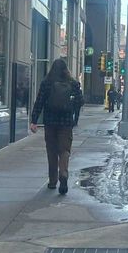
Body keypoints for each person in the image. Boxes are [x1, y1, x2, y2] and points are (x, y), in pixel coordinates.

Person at [29, 58, 84, 194]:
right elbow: (80, 101)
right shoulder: (73, 83)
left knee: (51, 151)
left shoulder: (47, 83)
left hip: (50, 122)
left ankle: (53, 181)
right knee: (64, 150)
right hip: (66, 123)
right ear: (66, 70)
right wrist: (71, 108)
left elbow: (39, 102)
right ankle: (63, 174)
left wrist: (34, 120)